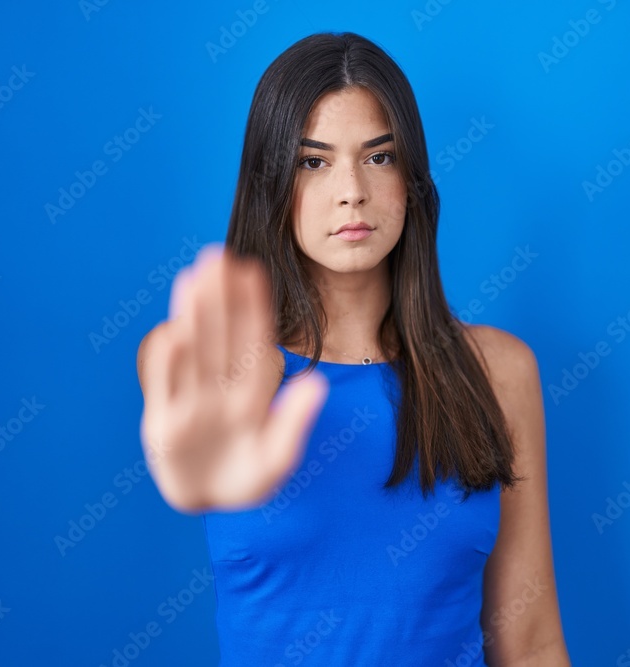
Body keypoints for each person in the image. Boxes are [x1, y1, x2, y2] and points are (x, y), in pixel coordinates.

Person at [136, 31, 571, 666]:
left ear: (412, 179)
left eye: (379, 157)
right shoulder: (204, 358)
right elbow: (183, 454)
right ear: (271, 182)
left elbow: (530, 643)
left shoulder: (500, 373)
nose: (351, 191)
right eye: (313, 161)